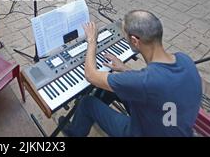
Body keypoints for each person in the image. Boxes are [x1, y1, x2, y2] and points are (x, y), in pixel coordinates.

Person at [62, 10, 202, 137]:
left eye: (126, 37)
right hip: (173, 125)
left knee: (87, 103)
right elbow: (154, 83)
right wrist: (125, 69)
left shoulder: (143, 81)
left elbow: (90, 75)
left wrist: (91, 40)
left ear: (135, 41)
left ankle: (76, 132)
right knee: (110, 90)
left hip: (143, 132)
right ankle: (96, 114)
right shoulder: (184, 59)